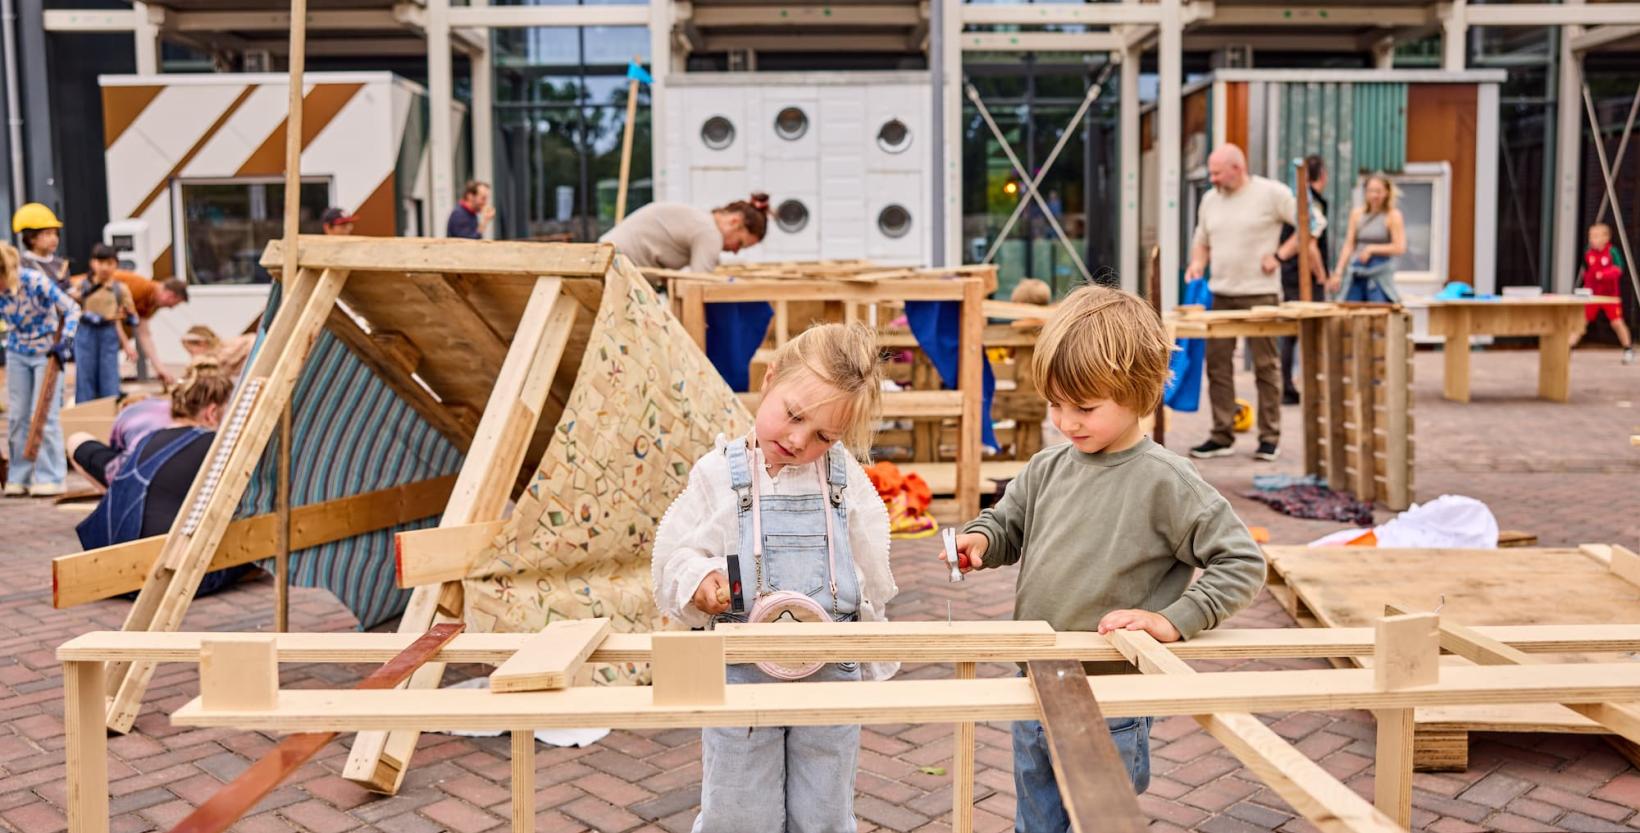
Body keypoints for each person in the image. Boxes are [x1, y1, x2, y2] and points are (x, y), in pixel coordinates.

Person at [949, 285, 1265, 832]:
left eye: (1084, 407)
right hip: (1036, 681)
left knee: (1100, 821)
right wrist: (979, 539)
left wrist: (1173, 620)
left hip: (1110, 695)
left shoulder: (1166, 481)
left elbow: (1242, 562)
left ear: (1138, 393)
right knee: (1036, 821)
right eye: (1055, 404)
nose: (1066, 421)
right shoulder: (1047, 467)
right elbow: (1007, 524)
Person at [651, 322, 895, 833]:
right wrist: (701, 578)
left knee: (824, 811)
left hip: (829, 674)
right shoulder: (721, 475)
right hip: (742, 673)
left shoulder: (844, 481)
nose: (798, 440)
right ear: (769, 379)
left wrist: (868, 644)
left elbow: (870, 572)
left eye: (824, 436)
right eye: (794, 415)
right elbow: (677, 555)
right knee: (739, 811)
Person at [1185, 144, 1324, 462]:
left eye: (1217, 173)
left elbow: (1313, 223)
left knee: (1265, 366)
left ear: (1237, 168)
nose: (1212, 179)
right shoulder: (1210, 200)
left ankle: (1269, 437)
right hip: (1221, 293)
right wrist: (1197, 263)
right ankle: (1222, 434)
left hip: (1261, 293)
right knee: (1218, 366)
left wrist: (1280, 256)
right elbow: (1201, 240)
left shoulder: (1271, 193)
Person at [75, 359, 252, 595]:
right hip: (167, 573)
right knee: (254, 545)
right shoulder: (211, 443)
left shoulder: (149, 439)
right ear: (211, 413)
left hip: (116, 568)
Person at [1, 241, 79, 496]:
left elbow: (72, 308)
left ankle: (52, 476)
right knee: (18, 416)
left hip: (47, 352)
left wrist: (65, 342)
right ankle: (19, 476)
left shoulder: (35, 281)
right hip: (16, 352)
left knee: (44, 413)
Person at [601, 192, 771, 272]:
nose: (735, 251)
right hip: (615, 267)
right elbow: (699, 286)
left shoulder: (701, 222)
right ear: (734, 222)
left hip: (604, 256)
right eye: (739, 244)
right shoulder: (710, 234)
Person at [1279, 155, 1330, 404]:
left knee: (1291, 333)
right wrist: (1321, 275)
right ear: (1323, 175)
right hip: (1302, 276)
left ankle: (1290, 385)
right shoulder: (1311, 202)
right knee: (1307, 330)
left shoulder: (1294, 198)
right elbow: (1309, 244)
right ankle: (1303, 385)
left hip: (1289, 274)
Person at [72, 244, 140, 403]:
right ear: (92, 263)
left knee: (109, 376)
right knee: (85, 375)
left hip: (108, 333)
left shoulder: (120, 289)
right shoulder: (82, 285)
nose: (104, 268)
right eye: (100, 262)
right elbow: (68, 308)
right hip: (85, 332)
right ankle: (85, 412)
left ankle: (109, 410)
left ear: (116, 264)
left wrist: (127, 343)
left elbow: (128, 317)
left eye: (109, 263)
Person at [1329, 172, 1407, 303]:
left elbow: (1400, 247)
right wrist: (1338, 272)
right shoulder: (1357, 214)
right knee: (1349, 307)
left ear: (1387, 192)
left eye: (1378, 191)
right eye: (1371, 191)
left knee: (1378, 308)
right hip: (1358, 271)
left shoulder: (1393, 215)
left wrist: (1371, 249)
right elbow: (1349, 245)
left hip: (1379, 274)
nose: (1374, 195)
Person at [1572, 222, 1634, 364]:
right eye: (1590, 236)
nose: (1592, 239)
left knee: (1617, 323)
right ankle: (1567, 348)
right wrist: (1585, 289)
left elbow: (1619, 269)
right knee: (1581, 322)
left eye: (1595, 236)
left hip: (1610, 296)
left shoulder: (1612, 252)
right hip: (1592, 296)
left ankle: (1628, 349)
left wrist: (1603, 275)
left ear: (1606, 238)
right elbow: (1586, 273)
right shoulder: (1588, 254)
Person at [114, 272, 188, 387]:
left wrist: (160, 369)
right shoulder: (140, 288)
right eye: (174, 304)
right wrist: (125, 344)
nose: (171, 308)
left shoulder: (152, 303)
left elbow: (144, 335)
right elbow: (111, 314)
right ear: (170, 295)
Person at [12, 203, 68, 290]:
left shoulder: (60, 264)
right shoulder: (20, 264)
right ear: (31, 238)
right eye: (48, 233)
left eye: (56, 233)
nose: (54, 238)